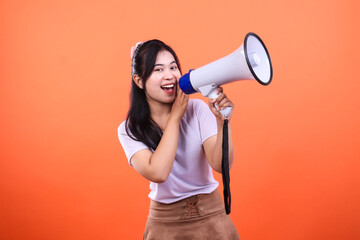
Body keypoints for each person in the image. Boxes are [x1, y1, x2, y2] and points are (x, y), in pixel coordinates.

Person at [118, 39, 240, 239]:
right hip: (165, 224)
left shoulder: (198, 110)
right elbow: (158, 172)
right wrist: (175, 116)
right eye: (158, 70)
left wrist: (222, 122)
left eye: (173, 67)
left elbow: (221, 165)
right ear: (139, 81)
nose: (169, 75)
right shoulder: (129, 129)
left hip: (213, 217)